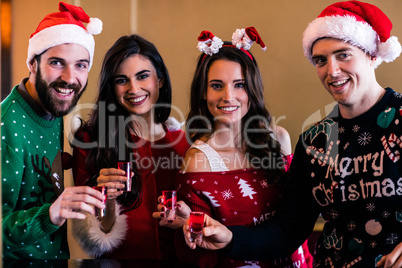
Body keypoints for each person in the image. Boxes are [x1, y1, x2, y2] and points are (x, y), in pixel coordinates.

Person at [182, 2, 402, 268]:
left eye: (343, 55)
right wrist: (229, 238)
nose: (331, 71)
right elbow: (288, 230)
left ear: (372, 55)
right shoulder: (315, 141)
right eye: (321, 60)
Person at [175, 28, 312, 267]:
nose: (229, 96)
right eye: (217, 86)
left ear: (252, 89)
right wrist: (188, 224)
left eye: (239, 84)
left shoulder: (278, 138)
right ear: (203, 93)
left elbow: (296, 218)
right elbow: (198, 252)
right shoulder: (198, 159)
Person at [70, 34, 190, 261]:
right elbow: (95, 240)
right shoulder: (91, 141)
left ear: (160, 79)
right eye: (121, 80)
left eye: (143, 76)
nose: (133, 89)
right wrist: (107, 197)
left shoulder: (185, 143)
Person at [1, 2, 104, 259]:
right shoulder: (6, 127)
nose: (70, 78)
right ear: (33, 64)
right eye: (57, 62)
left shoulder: (52, 108)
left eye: (81, 65)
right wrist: (51, 214)